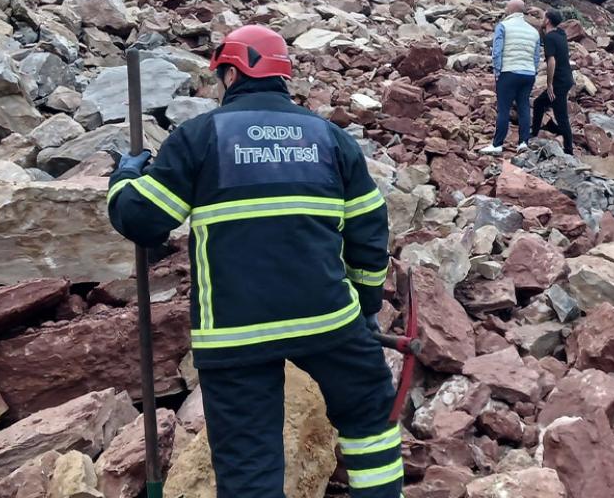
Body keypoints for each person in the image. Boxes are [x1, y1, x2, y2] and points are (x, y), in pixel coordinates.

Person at [108, 25, 402, 498]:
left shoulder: (200, 137)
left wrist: (125, 176)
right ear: (281, 76)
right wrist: (366, 309)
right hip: (327, 319)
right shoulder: (329, 138)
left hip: (235, 332)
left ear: (231, 73)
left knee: (248, 464)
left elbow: (143, 220)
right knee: (370, 417)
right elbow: (369, 234)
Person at [479, 0, 541, 155]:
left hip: (509, 72)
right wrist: (533, 71)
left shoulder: (503, 26)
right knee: (524, 107)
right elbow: (536, 56)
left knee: (504, 109)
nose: (505, 9)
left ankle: (497, 144)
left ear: (512, 9)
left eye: (507, 7)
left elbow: (497, 51)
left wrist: (497, 71)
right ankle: (523, 142)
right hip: (528, 74)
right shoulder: (534, 31)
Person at [530, 7, 575, 155]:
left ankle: (569, 151)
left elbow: (551, 61)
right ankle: (535, 133)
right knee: (539, 103)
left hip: (559, 82)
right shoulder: (560, 33)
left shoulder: (549, 38)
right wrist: (540, 11)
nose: (542, 19)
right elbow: (547, 24)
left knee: (561, 115)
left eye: (544, 17)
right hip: (567, 78)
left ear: (548, 20)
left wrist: (549, 84)